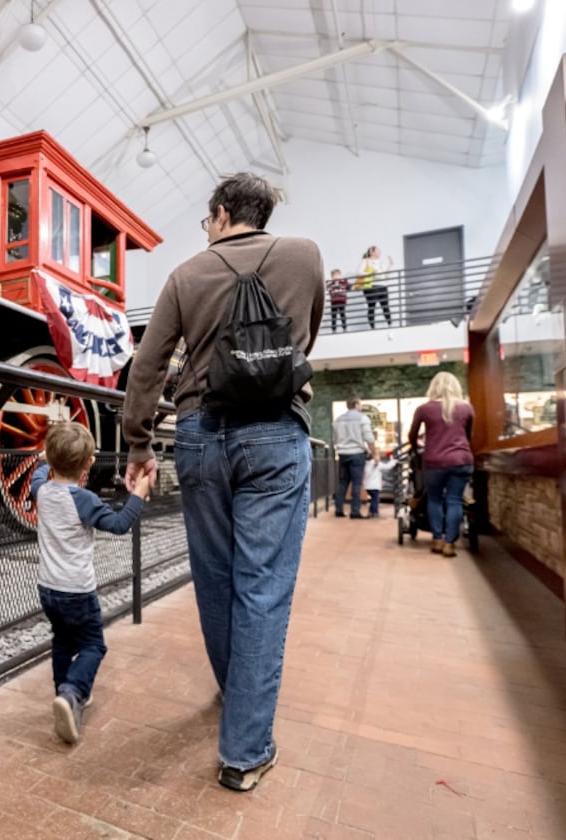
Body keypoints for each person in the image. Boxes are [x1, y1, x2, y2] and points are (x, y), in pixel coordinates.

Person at [121, 172, 324, 792]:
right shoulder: (304, 255)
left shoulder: (186, 274)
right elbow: (306, 334)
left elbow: (148, 366)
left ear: (219, 214)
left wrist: (136, 444)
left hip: (199, 435)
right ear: (261, 212)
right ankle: (243, 750)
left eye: (206, 221)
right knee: (262, 588)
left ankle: (235, 692)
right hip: (273, 431)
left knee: (214, 578)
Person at [30, 422, 150, 744]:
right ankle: (72, 694)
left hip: (47, 587)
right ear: (88, 463)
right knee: (93, 645)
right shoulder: (83, 499)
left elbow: (38, 474)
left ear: (51, 459)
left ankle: (62, 692)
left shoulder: (41, 488)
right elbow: (120, 524)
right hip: (77, 590)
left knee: (62, 641)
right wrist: (137, 494)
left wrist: (44, 461)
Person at [408, 372, 475, 557]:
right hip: (461, 460)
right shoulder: (467, 408)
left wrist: (416, 449)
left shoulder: (424, 409)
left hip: (434, 461)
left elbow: (412, 435)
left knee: (435, 499)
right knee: (454, 500)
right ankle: (449, 543)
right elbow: (469, 435)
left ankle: (437, 539)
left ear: (433, 387)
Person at [333, 397, 377, 518]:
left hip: (342, 453)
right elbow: (369, 437)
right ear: (357, 404)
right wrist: (375, 453)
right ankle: (355, 511)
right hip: (357, 453)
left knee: (343, 482)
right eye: (360, 404)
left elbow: (335, 437)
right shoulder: (362, 418)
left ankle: (338, 509)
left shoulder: (338, 419)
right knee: (357, 483)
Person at [355, 245, 393, 328]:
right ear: (372, 252)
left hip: (383, 286)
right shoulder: (365, 261)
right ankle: (372, 327)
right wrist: (371, 273)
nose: (380, 252)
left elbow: (386, 276)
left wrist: (390, 265)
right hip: (371, 286)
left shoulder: (381, 262)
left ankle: (390, 324)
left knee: (385, 306)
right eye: (378, 250)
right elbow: (359, 273)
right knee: (372, 306)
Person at [363, 450, 395, 518]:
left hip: (368, 486)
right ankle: (375, 513)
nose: (380, 457)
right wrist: (393, 460)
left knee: (373, 499)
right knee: (375, 500)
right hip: (374, 486)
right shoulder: (376, 464)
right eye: (378, 456)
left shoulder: (367, 464)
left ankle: (371, 512)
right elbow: (387, 466)